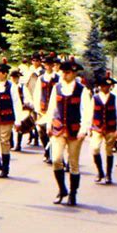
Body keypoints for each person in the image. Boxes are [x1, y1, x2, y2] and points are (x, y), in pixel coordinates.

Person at [47, 61, 92, 206]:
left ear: (74, 74)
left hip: (74, 130)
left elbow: (86, 112)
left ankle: (73, 193)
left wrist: (83, 129)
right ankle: (62, 189)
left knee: (74, 163)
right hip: (59, 128)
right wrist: (49, 124)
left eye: (68, 73)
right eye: (63, 72)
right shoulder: (57, 88)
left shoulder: (82, 90)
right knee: (56, 159)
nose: (65, 75)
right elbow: (52, 108)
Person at [90, 76, 117, 184]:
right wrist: (88, 127)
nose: (106, 88)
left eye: (108, 86)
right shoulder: (95, 98)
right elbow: (90, 113)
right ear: (100, 86)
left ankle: (109, 174)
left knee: (109, 151)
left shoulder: (115, 98)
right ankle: (100, 172)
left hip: (110, 127)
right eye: (104, 86)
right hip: (97, 127)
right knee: (95, 148)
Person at [33, 54, 61, 163]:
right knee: (41, 131)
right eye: (46, 65)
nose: (48, 67)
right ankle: (46, 150)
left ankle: (52, 153)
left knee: (52, 131)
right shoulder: (41, 78)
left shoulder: (58, 78)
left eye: (50, 65)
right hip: (43, 109)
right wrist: (37, 108)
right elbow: (37, 93)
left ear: (53, 65)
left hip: (55, 110)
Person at [9, 69, 34, 152]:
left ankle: (18, 144)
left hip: (20, 108)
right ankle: (11, 143)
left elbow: (27, 98)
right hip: (10, 108)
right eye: (13, 77)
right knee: (9, 126)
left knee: (19, 126)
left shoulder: (22, 87)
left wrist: (26, 104)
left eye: (16, 77)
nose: (14, 79)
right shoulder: (9, 86)